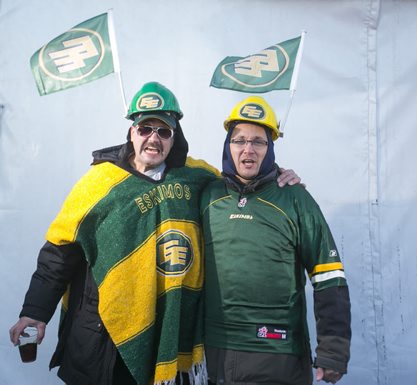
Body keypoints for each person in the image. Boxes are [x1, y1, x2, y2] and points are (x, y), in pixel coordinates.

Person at [8, 82, 299, 385]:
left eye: (164, 131)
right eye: (145, 128)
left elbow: (242, 184)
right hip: (104, 337)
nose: (153, 138)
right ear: (132, 132)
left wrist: (276, 176)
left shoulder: (197, 178)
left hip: (171, 329)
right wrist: (35, 312)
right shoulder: (98, 184)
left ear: (175, 138)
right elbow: (58, 255)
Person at [201, 96, 352, 385]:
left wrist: (334, 350)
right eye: (239, 140)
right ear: (227, 145)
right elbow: (160, 172)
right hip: (215, 352)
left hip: (277, 355)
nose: (248, 149)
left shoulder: (295, 198)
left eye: (258, 141)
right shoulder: (207, 195)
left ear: (270, 148)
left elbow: (329, 276)